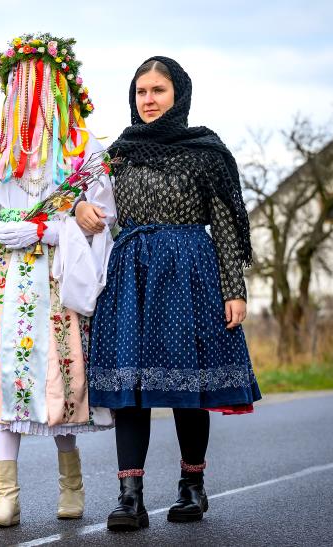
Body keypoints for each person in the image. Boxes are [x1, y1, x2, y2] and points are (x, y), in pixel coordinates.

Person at [77, 56, 261, 531]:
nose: (149, 100)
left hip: (189, 271)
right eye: (141, 92)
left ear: (178, 94)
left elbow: (223, 224)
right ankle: (129, 497)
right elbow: (84, 199)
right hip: (132, 271)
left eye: (158, 90)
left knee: (186, 387)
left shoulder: (206, 152)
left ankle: (191, 487)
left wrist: (233, 289)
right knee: (130, 388)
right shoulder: (118, 152)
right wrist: (80, 208)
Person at [0, 34, 114, 528]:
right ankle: (7, 496)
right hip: (2, 276)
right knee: (5, 378)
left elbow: (101, 213)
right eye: (22, 84)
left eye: (40, 84)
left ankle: (72, 485)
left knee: (55, 378)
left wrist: (61, 222)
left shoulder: (82, 150)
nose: (31, 95)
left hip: (53, 276)